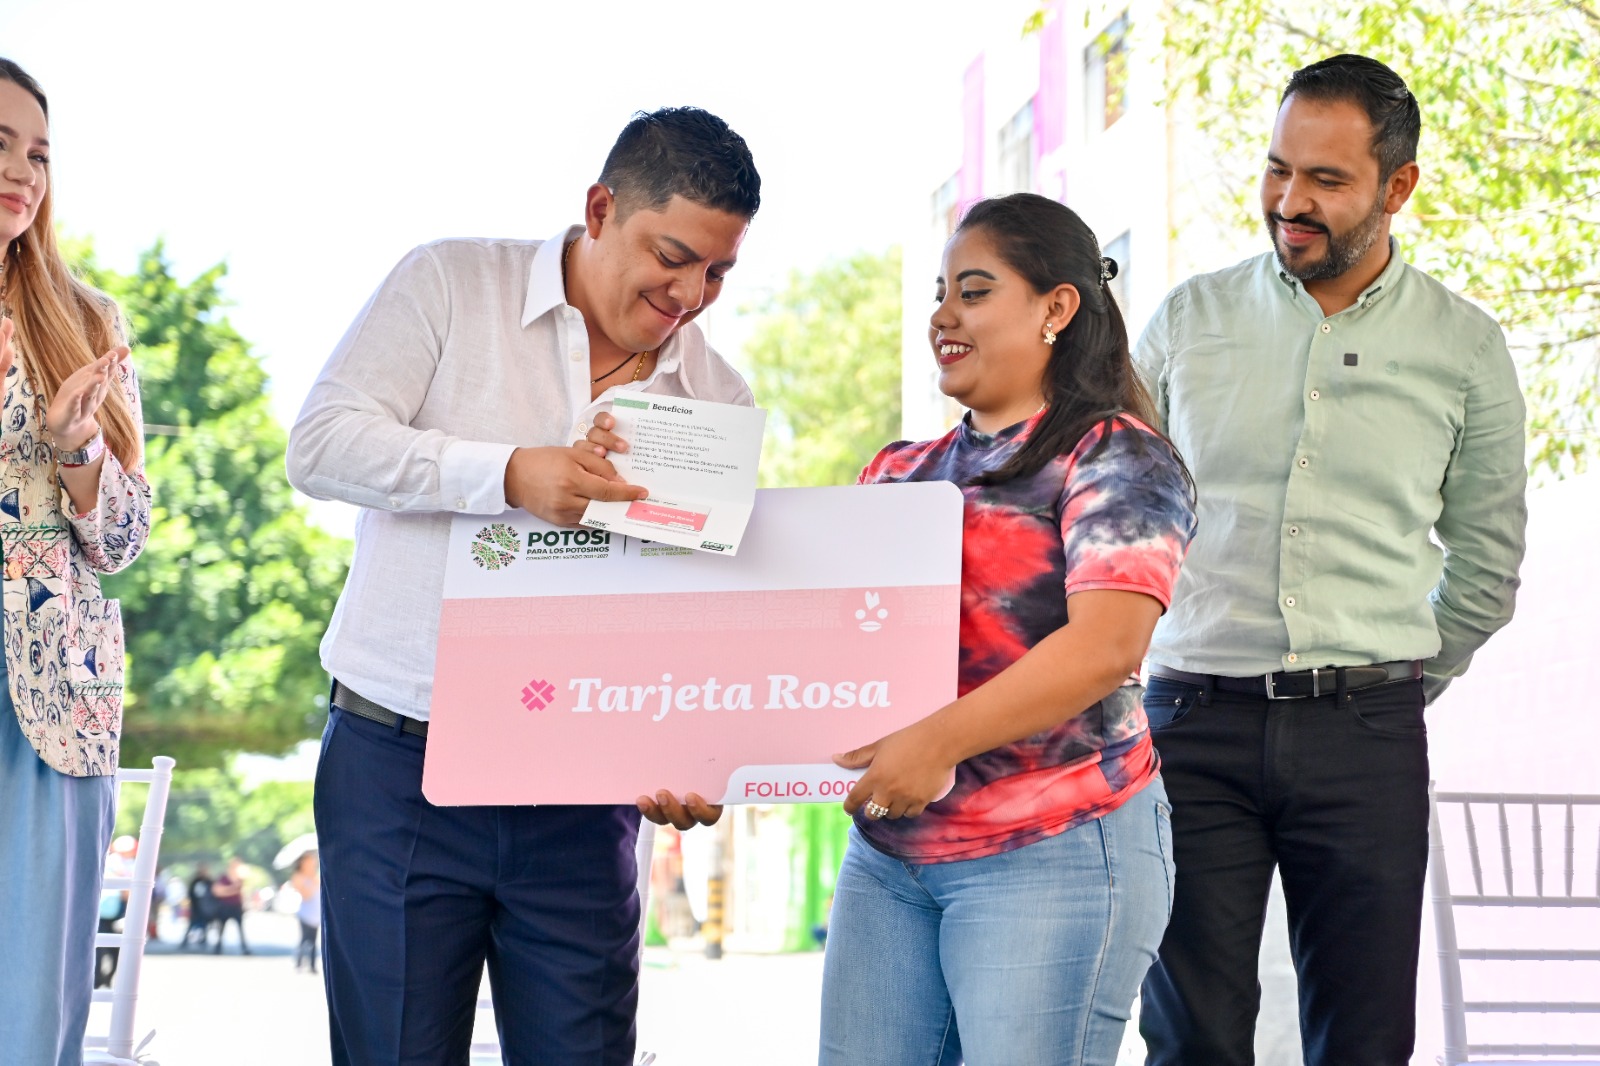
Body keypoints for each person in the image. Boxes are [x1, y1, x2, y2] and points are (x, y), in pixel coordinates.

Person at [286, 106, 761, 1066]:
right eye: (672, 257)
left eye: (717, 272)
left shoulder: (719, 399)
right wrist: (507, 473)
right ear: (600, 209)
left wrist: (695, 749)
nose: (690, 294)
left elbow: (696, 612)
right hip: (399, 767)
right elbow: (322, 445)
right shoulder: (449, 284)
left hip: (586, 796)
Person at [1134, 55, 1528, 1066]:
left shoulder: (1464, 348)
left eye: (1325, 179)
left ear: (1398, 187)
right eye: (1278, 169)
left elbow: (1487, 564)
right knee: (1189, 1041)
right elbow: (1112, 513)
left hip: (1366, 734)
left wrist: (1387, 684)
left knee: (1365, 1042)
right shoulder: (1187, 322)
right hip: (1190, 727)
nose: (1289, 201)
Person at [818, 192, 1197, 1066]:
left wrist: (934, 743)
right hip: (889, 858)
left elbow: (1106, 647)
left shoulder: (1116, 454)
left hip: (1055, 846)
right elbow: (825, 655)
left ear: (1056, 307)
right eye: (940, 293)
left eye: (975, 291)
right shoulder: (896, 474)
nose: (943, 316)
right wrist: (712, 760)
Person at [0, 58, 153, 1065]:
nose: (25, 172)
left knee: (32, 1013)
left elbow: (126, 540)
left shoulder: (87, 320)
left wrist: (78, 448)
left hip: (57, 693)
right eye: (1, 145)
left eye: (41, 154)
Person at [95, 835, 137, 989]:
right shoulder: (121, 864)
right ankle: (101, 979)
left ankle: (100, 979)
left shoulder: (112, 862)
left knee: (103, 948)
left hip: (108, 912)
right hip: (112, 911)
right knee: (112, 949)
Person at [210, 856, 250, 955]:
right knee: (221, 928)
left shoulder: (239, 879)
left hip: (236, 906)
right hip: (224, 906)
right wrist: (232, 889)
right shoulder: (223, 878)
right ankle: (218, 947)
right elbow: (217, 891)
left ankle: (244, 948)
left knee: (240, 928)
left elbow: (241, 892)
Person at [290, 850, 321, 974]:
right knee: (304, 939)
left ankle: (312, 965)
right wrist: (312, 882)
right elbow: (306, 895)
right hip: (305, 914)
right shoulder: (298, 876)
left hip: (316, 914)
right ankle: (299, 962)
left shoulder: (315, 875)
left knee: (313, 940)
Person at [183, 862, 215, 950]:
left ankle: (204, 940)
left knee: (205, 925)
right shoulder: (195, 882)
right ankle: (185, 941)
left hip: (205, 908)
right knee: (192, 924)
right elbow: (191, 894)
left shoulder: (209, 882)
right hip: (196, 907)